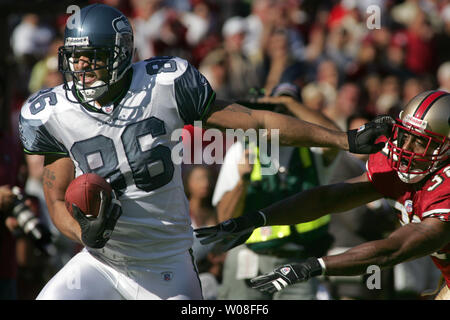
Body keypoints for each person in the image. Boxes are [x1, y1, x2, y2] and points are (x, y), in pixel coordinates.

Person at [18, 4, 390, 300]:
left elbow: (258, 123)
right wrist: (84, 232)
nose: (82, 70)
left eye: (93, 58)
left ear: (120, 54)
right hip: (101, 262)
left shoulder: (165, 85)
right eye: (76, 59)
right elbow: (55, 196)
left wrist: (345, 139)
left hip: (166, 262)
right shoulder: (53, 112)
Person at [196, 90, 450, 300]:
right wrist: (259, 218)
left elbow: (394, 250)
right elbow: (332, 198)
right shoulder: (397, 164)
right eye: (406, 136)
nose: (406, 149)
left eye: (420, 142)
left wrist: (314, 266)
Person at [211, 84, 339, 300]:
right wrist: (242, 180)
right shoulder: (242, 149)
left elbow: (336, 138)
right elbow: (224, 219)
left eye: (289, 107)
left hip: (299, 262)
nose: (283, 112)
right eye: (276, 106)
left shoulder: (313, 150)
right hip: (250, 259)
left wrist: (288, 103)